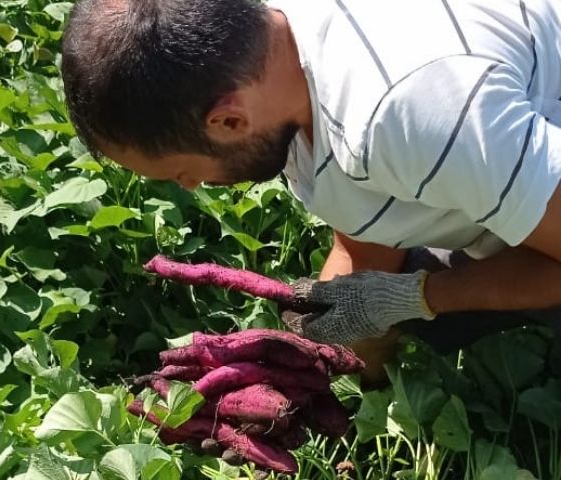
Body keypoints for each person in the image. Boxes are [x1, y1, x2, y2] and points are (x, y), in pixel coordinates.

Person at [61, 0, 561, 384]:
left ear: (230, 119)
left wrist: (423, 296)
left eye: (180, 172)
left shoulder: (409, 116)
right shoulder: (276, 54)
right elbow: (367, 243)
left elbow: (410, 140)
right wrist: (311, 376)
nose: (190, 186)